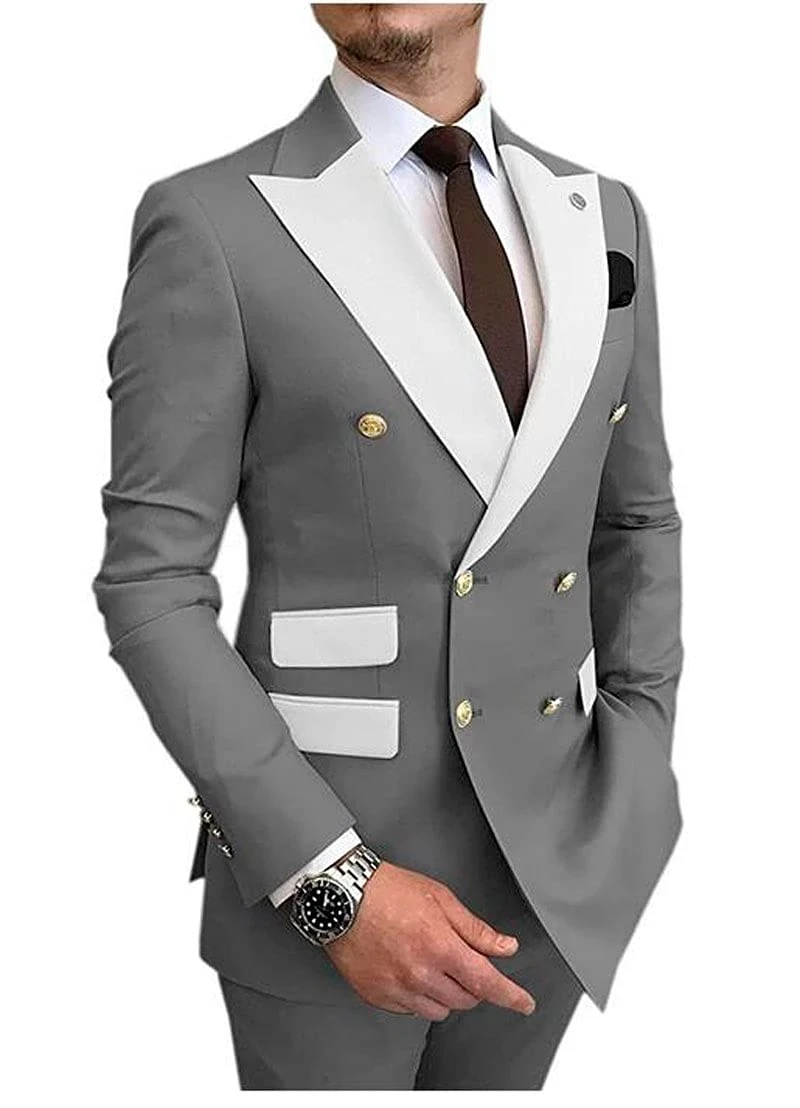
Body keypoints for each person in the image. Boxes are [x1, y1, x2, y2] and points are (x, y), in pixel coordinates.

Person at [93, 2, 683, 1091]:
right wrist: (332, 884)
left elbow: (633, 518)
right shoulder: (212, 220)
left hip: (557, 873)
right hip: (325, 880)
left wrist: (637, 769)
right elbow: (153, 584)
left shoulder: (602, 213)